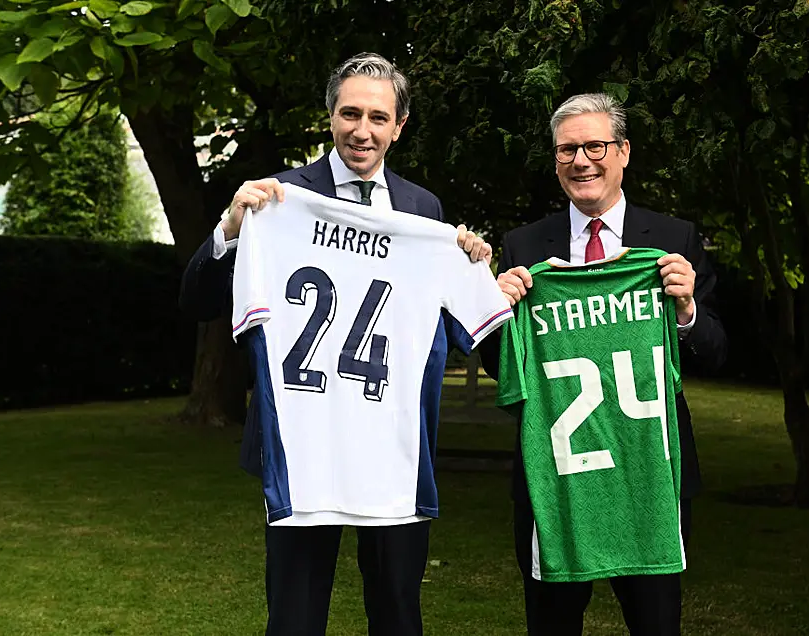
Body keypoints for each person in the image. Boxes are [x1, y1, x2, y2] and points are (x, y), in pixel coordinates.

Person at [180, 52, 494, 636]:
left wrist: (474, 265)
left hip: (389, 446)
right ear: (330, 117)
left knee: (398, 610)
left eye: (379, 117)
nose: (362, 129)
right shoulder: (279, 199)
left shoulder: (423, 212)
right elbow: (196, 301)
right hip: (303, 443)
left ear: (398, 127)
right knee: (295, 616)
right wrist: (229, 229)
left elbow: (449, 325)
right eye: (350, 113)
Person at [477, 93, 727, 635]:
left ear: (623, 152)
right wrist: (496, 312)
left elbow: (715, 351)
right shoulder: (524, 245)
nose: (582, 161)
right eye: (568, 150)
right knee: (552, 625)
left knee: (656, 623)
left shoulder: (671, 240)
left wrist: (685, 310)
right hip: (557, 476)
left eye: (595, 146)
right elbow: (506, 370)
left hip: (650, 475)